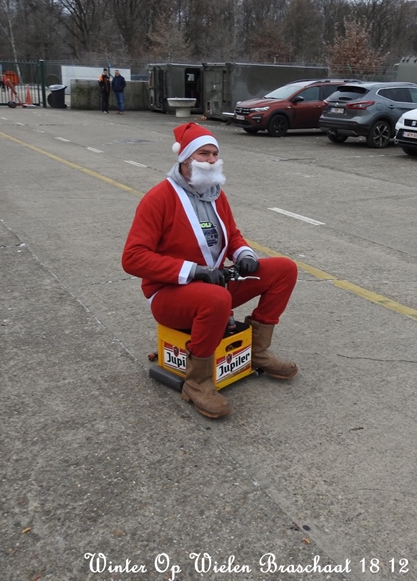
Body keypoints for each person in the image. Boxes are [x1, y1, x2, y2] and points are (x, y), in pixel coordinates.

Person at [122, 122, 298, 419]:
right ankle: (197, 382)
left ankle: (256, 351)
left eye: (215, 154)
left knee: (284, 269)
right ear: (185, 158)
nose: (212, 160)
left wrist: (244, 254)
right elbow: (133, 258)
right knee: (217, 299)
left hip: (215, 283)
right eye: (203, 154)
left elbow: (232, 234)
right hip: (168, 294)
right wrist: (194, 271)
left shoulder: (215, 193)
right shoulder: (158, 198)